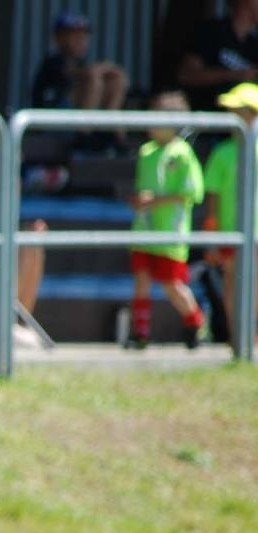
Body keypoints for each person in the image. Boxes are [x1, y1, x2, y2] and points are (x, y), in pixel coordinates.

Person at [127, 91, 206, 350]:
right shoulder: (146, 151)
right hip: (144, 230)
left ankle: (195, 323)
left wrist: (155, 200)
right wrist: (139, 200)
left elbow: (191, 193)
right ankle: (140, 332)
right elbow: (143, 188)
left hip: (170, 232)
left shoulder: (182, 153)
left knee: (172, 284)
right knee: (141, 279)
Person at [201, 82, 258, 351]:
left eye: (239, 111)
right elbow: (212, 196)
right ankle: (238, 337)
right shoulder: (223, 153)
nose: (233, 117)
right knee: (233, 286)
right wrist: (212, 231)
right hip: (231, 231)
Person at [32, 13, 127, 114]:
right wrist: (96, 70)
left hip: (73, 114)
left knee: (117, 79)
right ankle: (84, 128)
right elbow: (72, 73)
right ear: (59, 38)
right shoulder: (52, 62)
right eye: (74, 36)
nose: (80, 40)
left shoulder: (81, 63)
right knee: (92, 79)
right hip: (53, 116)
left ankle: (110, 124)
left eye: (84, 36)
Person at [177, 0, 258, 113]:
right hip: (207, 120)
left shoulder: (253, 46)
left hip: (242, 124)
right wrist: (235, 74)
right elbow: (187, 75)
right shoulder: (210, 33)